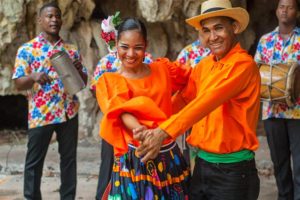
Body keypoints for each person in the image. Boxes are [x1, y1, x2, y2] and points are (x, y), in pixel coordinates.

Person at [134, 0, 261, 199]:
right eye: (206, 30)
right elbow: (184, 99)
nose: (213, 37)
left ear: (234, 27)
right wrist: (151, 125)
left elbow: (206, 102)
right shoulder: (204, 65)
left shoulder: (243, 65)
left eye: (219, 28)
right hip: (201, 164)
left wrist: (162, 132)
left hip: (233, 171)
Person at [96, 18, 190, 199]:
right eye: (124, 47)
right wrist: (141, 130)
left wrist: (178, 108)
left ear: (146, 45)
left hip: (169, 155)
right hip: (135, 160)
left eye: (138, 47)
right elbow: (121, 111)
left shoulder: (163, 70)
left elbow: (191, 81)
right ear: (116, 45)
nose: (131, 54)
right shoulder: (110, 81)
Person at [12, 2, 87, 200]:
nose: (54, 20)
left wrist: (79, 70)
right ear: (40, 20)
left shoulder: (70, 50)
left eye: (57, 16)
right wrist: (33, 77)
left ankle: (68, 197)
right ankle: (32, 197)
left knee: (69, 160)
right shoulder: (27, 50)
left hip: (68, 112)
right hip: (41, 113)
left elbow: (83, 83)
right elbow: (18, 83)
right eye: (49, 16)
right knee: (34, 162)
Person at [90, 14, 153, 200]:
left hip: (138, 128)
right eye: (124, 45)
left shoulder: (107, 62)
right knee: (114, 166)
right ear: (117, 40)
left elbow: (96, 92)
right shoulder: (109, 62)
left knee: (114, 167)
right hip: (119, 124)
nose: (131, 53)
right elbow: (97, 90)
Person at [254, 0, 300, 199]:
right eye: (282, 6)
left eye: (290, 7)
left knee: (299, 164)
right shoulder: (265, 40)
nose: (285, 10)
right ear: (276, 11)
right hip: (271, 111)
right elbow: (256, 70)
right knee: (279, 164)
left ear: (297, 12)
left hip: (297, 111)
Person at [176, 39, 211, 167]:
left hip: (215, 114)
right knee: (190, 157)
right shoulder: (187, 52)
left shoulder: (219, 52)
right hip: (191, 113)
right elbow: (178, 85)